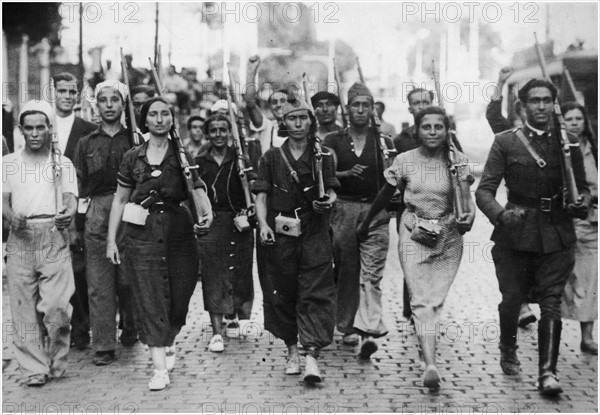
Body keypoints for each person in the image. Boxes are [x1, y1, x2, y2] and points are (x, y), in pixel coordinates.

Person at [476, 79, 589, 396]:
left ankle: (547, 373)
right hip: (517, 233)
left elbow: (583, 190)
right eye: (534, 100)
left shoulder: (568, 143)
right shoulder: (505, 142)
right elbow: (484, 191)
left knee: (551, 302)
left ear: (554, 103)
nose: (541, 106)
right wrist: (500, 215)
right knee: (512, 299)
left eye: (546, 100)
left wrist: (581, 203)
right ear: (522, 106)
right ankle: (507, 346)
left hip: (557, 233)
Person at [357, 106, 475, 389]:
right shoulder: (404, 160)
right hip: (413, 233)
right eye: (426, 127)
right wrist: (368, 221)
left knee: (435, 300)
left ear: (447, 130)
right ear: (417, 130)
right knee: (422, 301)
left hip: (448, 237)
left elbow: (466, 199)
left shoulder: (457, 161)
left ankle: (426, 351)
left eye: (438, 127)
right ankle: (430, 363)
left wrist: (468, 218)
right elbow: (387, 192)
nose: (432, 132)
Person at [106, 97, 212, 390]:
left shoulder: (183, 155)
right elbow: (120, 198)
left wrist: (206, 212)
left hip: (179, 231)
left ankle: (169, 337)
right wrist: (111, 240)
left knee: (180, 295)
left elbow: (198, 188)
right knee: (148, 295)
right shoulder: (132, 157)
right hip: (142, 233)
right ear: (145, 120)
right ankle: (159, 368)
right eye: (153, 114)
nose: (160, 119)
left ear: (172, 120)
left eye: (165, 114)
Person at [252, 96, 339, 383]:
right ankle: (291, 349)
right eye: (292, 118)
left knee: (316, 291)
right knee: (283, 292)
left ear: (311, 122)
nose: (298, 123)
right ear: (283, 123)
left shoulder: (323, 155)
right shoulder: (271, 157)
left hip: (314, 230)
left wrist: (328, 202)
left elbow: (333, 190)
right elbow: (261, 195)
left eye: (303, 118)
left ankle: (311, 355)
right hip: (280, 233)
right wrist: (263, 224)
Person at [2, 101, 78, 386]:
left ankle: (57, 359)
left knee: (57, 308)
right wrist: (11, 217)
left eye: (40, 127)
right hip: (21, 238)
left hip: (53, 236)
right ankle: (33, 369)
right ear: (21, 130)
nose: (34, 133)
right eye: (29, 128)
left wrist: (67, 214)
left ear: (49, 129)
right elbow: (3, 201)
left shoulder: (61, 163)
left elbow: (71, 198)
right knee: (23, 310)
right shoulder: (8, 163)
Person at [323, 82, 394, 356]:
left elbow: (394, 178)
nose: (361, 110)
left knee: (371, 274)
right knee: (347, 271)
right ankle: (348, 325)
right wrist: (344, 176)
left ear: (373, 108)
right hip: (343, 210)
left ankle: (369, 330)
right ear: (347, 108)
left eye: (366, 105)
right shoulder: (333, 141)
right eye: (356, 105)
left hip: (376, 211)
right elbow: (326, 174)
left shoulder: (384, 142)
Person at [73, 81, 138, 366]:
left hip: (132, 213)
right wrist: (76, 225)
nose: (109, 105)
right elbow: (76, 185)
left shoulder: (135, 140)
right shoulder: (86, 143)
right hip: (97, 212)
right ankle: (103, 344)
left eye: (115, 100)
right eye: (103, 100)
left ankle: (131, 323)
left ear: (123, 105)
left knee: (127, 280)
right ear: (96, 105)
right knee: (99, 283)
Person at [196, 114, 256, 351]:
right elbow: (194, 192)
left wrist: (249, 189)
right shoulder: (199, 161)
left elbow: (255, 184)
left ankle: (241, 318)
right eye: (214, 130)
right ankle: (216, 331)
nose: (219, 134)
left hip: (239, 221)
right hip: (212, 223)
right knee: (213, 275)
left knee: (241, 270)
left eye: (223, 130)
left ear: (230, 133)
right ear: (207, 134)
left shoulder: (240, 159)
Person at [485, 67, 536, 328]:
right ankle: (521, 306)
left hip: (549, 216)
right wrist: (501, 81)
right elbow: (493, 114)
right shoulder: (509, 136)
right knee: (514, 262)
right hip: (518, 211)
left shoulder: (553, 136)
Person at [53, 72, 99, 350]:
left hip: (79, 208)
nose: (67, 97)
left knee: (79, 270)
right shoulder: (41, 125)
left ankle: (83, 326)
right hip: (46, 206)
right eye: (62, 91)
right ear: (53, 92)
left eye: (72, 92)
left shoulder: (88, 128)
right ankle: (55, 329)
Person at [560, 101, 598, 355]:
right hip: (562, 222)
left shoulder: (593, 148)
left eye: (578, 118)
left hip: (590, 222)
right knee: (559, 279)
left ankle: (587, 335)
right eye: (569, 119)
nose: (574, 123)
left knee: (590, 280)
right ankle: (550, 330)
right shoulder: (557, 147)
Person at [245, 55, 288, 154]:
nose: (278, 105)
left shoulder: (300, 128)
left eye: (282, 101)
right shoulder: (267, 127)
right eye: (274, 102)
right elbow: (251, 104)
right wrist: (251, 74)